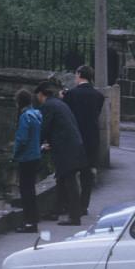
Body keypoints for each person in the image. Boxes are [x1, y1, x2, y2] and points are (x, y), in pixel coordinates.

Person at [35, 82, 89, 226]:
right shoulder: (60, 104)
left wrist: (36, 145)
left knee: (69, 180)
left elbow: (44, 128)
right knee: (61, 179)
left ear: (41, 94)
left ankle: (74, 216)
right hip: (72, 145)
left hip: (66, 148)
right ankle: (56, 210)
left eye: (38, 97)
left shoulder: (48, 106)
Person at [61, 64, 106, 212]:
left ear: (79, 74)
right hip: (92, 138)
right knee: (87, 174)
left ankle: (69, 204)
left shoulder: (71, 95)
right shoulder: (98, 96)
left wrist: (63, 97)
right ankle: (83, 205)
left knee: (71, 172)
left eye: (76, 75)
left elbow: (67, 115)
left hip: (75, 137)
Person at [12, 87, 44, 232]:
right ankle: (33, 220)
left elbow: (22, 139)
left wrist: (14, 154)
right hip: (35, 155)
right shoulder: (36, 115)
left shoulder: (25, 117)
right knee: (31, 189)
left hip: (26, 158)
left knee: (26, 191)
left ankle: (29, 222)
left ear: (19, 102)